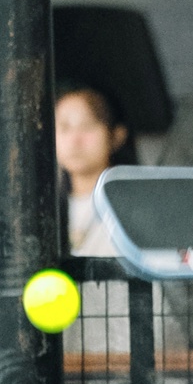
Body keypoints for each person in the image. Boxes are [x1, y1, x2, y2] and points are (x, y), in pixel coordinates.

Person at [56, 84, 132, 258]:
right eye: (64, 127)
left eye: (87, 126)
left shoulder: (136, 205)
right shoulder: (43, 208)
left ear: (117, 135)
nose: (75, 139)